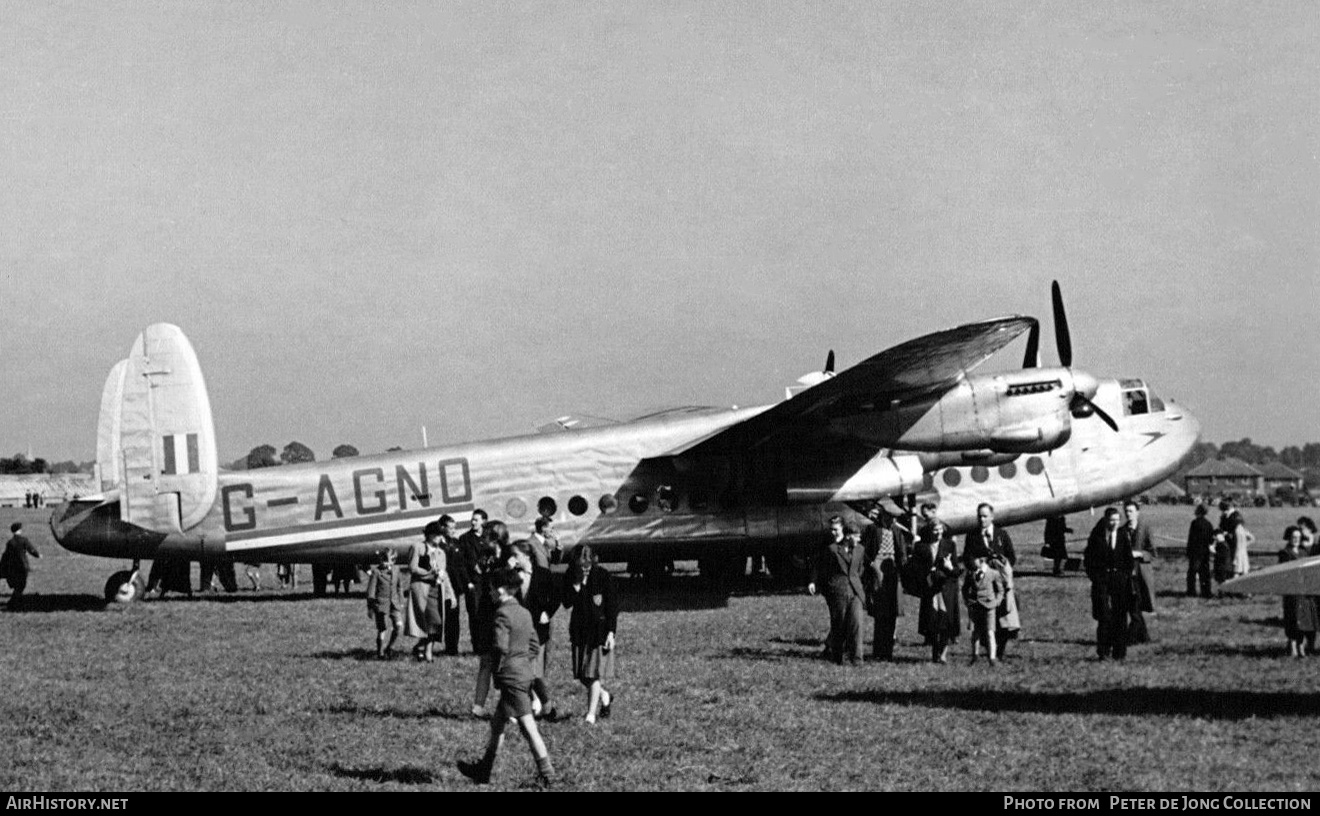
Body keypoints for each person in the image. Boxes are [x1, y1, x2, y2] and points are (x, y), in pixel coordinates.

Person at [457, 567, 556, 786]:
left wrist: (500, 670)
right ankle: (484, 769)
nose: (490, 593)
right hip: (523, 674)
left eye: (492, 589)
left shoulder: (501, 614)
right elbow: (533, 646)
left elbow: (499, 647)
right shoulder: (524, 612)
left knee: (528, 727)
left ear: (501, 590)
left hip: (510, 678)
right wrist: (520, 662)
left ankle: (547, 773)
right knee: (497, 724)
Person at [562, 545, 618, 723]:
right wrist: (576, 587)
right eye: (581, 566)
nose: (585, 569)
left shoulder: (603, 576)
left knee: (592, 674)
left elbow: (612, 607)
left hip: (598, 633)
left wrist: (611, 632)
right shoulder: (571, 575)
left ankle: (590, 715)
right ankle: (604, 695)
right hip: (579, 631)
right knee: (581, 675)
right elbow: (566, 603)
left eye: (588, 565)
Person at [807, 517, 867, 666]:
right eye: (856, 536)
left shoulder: (860, 549)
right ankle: (838, 656)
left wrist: (857, 585)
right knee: (839, 624)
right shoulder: (831, 549)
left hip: (855, 591)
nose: (859, 539)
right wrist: (826, 586)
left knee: (857, 624)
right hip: (837, 591)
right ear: (848, 536)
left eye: (835, 529)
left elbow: (860, 569)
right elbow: (823, 568)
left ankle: (857, 658)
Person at [962, 503, 1019, 658]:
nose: (982, 519)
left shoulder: (1001, 534)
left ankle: (999, 651)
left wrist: (1002, 567)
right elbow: (967, 557)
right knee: (984, 619)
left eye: (985, 516)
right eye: (979, 516)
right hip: (983, 584)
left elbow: (1011, 557)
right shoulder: (972, 536)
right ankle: (988, 650)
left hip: (1000, 583)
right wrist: (977, 565)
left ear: (992, 517)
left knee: (1003, 616)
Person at [1084, 508, 1135, 660]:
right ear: (1106, 520)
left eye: (1117, 520)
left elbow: (1129, 560)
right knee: (1104, 616)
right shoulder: (1097, 537)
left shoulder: (1122, 536)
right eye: (1112, 520)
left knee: (1120, 616)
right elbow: (1088, 559)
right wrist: (1095, 577)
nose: (1115, 523)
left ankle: (1119, 652)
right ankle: (1104, 651)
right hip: (1102, 580)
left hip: (1119, 581)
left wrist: (1124, 576)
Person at [471, 520, 508, 718]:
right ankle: (478, 706)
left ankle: (515, 704)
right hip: (486, 613)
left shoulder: (509, 556)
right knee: (485, 661)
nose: (481, 539)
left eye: (485, 535)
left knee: (505, 662)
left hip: (504, 613)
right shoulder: (485, 558)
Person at [912, 516, 961, 664]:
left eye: (940, 530)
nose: (938, 533)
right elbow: (915, 567)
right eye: (935, 530)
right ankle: (935, 651)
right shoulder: (921, 546)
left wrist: (949, 567)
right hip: (930, 588)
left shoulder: (949, 545)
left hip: (946, 587)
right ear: (930, 530)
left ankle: (943, 654)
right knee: (932, 622)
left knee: (946, 621)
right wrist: (926, 572)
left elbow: (957, 570)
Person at [862, 504, 908, 662]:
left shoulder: (896, 530)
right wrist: (871, 565)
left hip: (892, 570)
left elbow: (901, 552)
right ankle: (878, 650)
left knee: (892, 611)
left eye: (894, 517)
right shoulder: (873, 529)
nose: (892, 520)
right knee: (880, 612)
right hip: (878, 569)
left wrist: (902, 569)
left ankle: (888, 651)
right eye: (889, 516)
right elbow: (865, 551)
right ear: (883, 515)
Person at [405, 522, 454, 663]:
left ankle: (423, 649)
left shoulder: (441, 553)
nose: (440, 538)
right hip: (422, 588)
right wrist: (429, 573)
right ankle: (426, 653)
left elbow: (444, 574)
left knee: (436, 622)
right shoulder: (417, 547)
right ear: (430, 535)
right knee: (426, 621)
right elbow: (413, 568)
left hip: (436, 590)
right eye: (438, 535)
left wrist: (450, 593)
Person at [1278, 526, 1317, 658]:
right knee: (1293, 618)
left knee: (1305, 619)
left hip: (1304, 591)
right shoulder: (1285, 552)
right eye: (1294, 537)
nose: (1296, 540)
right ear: (1288, 537)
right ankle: (1293, 646)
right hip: (1292, 591)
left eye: (1298, 538)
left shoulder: (1304, 552)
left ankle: (1301, 645)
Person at [1122, 500, 1156, 644]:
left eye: (1131, 511)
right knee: (1133, 605)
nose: (1128, 514)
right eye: (1126, 511)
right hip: (1128, 574)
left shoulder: (1145, 528)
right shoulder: (1122, 530)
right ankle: (1142, 637)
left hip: (1142, 573)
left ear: (1137, 512)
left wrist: (1140, 554)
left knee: (1138, 605)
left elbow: (1153, 552)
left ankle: (1131, 638)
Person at [962, 553, 1006, 664]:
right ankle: (975, 656)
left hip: (989, 606)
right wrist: (967, 601)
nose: (972, 563)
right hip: (975, 606)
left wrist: (996, 602)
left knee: (990, 632)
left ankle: (992, 658)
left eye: (974, 560)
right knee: (975, 632)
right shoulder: (971, 573)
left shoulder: (993, 573)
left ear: (981, 560)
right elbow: (964, 589)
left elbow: (1000, 590)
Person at [437, 514, 470, 656]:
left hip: (454, 586)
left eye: (454, 528)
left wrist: (465, 582)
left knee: (453, 617)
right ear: (442, 528)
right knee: (438, 616)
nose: (453, 531)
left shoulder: (456, 543)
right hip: (440, 584)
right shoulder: (438, 545)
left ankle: (452, 648)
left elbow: (461, 564)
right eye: (450, 528)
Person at [458, 510, 489, 654]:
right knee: (475, 614)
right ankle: (477, 646)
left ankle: (488, 644)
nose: (473, 522)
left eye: (476, 520)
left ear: (483, 521)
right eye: (472, 519)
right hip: (474, 583)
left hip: (488, 582)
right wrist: (468, 582)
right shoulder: (464, 539)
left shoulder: (490, 537)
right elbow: (461, 564)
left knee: (488, 614)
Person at [365, 548, 405, 659]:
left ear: (394, 560)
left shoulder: (396, 570)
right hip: (381, 604)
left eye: (389, 560)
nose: (386, 563)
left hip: (394, 603)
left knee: (399, 626)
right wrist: (370, 607)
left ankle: (389, 647)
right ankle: (380, 651)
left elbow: (399, 587)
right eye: (384, 560)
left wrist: (401, 601)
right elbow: (371, 591)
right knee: (382, 628)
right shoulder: (376, 572)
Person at [1, 522, 41, 608]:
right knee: (21, 585)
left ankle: (14, 601)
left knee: (18, 585)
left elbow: (6, 555)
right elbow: (31, 549)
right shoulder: (24, 540)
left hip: (14, 566)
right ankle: (13, 603)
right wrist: (38, 555)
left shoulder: (10, 542)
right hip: (23, 566)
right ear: (19, 530)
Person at [1185, 504, 1215, 598]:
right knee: (1205, 573)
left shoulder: (1194, 523)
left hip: (1195, 551)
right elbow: (1211, 540)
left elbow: (1191, 538)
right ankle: (1206, 592)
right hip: (1205, 552)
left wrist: (1188, 551)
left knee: (1192, 573)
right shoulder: (1209, 524)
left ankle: (1191, 591)